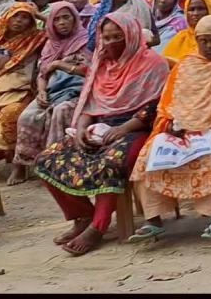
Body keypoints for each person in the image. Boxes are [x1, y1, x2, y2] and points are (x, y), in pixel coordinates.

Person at [34, 15, 170, 256]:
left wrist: (123, 129)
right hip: (99, 126)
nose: (110, 43)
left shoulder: (153, 64)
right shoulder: (101, 64)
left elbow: (156, 107)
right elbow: (89, 102)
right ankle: (82, 215)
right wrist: (80, 130)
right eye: (105, 38)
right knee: (48, 159)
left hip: (137, 128)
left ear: (131, 36)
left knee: (112, 161)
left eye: (117, 37)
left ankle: (99, 226)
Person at [127, 16, 211, 243]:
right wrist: (169, 122)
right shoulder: (186, 65)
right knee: (148, 154)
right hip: (181, 130)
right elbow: (168, 101)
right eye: (203, 41)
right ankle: (154, 220)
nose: (208, 46)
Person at [9, 2, 90, 184]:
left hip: (80, 90)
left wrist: (61, 65)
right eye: (57, 19)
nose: (62, 23)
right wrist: (41, 92)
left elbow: (91, 71)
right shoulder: (49, 44)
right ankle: (21, 165)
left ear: (74, 19)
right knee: (27, 116)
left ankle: (58, 166)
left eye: (66, 17)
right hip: (52, 90)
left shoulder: (85, 40)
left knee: (60, 112)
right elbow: (42, 74)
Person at [0, 3, 47, 179]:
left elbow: (58, 30)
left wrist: (40, 16)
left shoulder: (36, 38)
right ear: (8, 17)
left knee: (10, 115)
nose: (19, 21)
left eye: (25, 18)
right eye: (16, 16)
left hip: (21, 90)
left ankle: (19, 166)